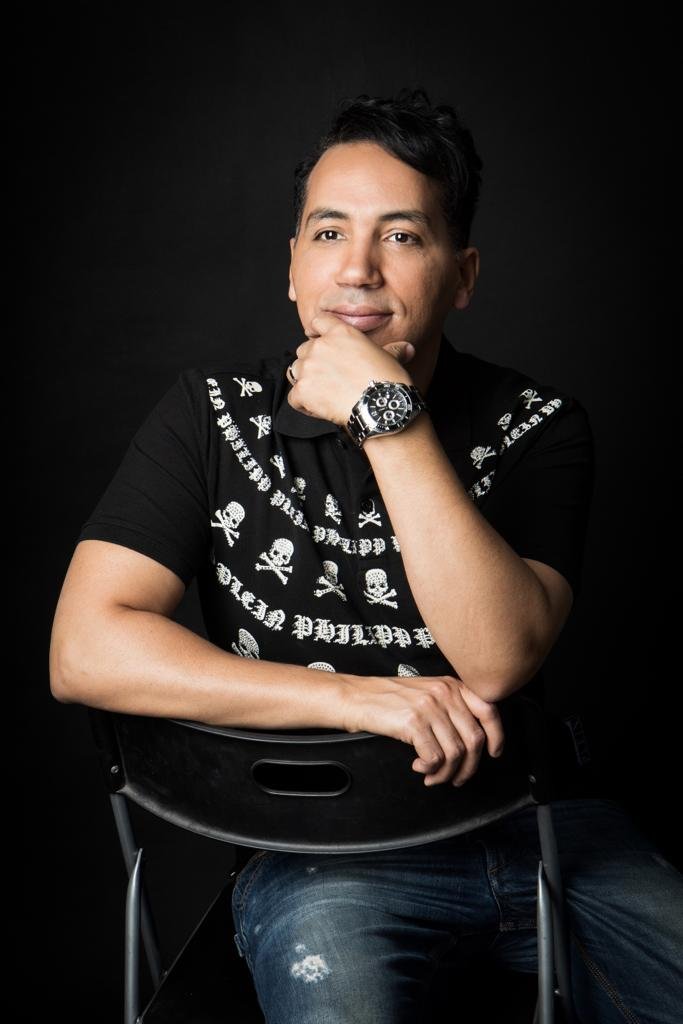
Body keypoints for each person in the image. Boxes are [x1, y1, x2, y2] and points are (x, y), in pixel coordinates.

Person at [50, 88, 682, 1023]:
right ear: (292, 268)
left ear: (461, 275)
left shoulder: (536, 426)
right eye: (328, 233)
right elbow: (84, 650)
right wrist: (355, 700)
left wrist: (388, 418)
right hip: (321, 851)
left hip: (542, 827)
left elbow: (496, 659)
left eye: (402, 236)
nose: (357, 269)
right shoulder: (210, 416)